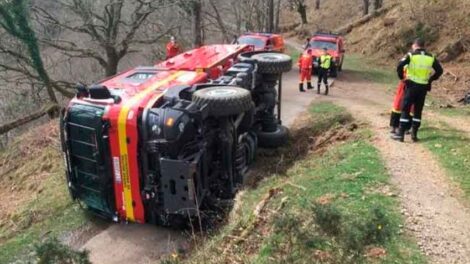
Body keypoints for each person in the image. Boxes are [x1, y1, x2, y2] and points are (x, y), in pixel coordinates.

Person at [392, 38, 443, 142]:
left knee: (405, 109)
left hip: (411, 86)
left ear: (414, 45)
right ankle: (414, 135)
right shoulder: (431, 57)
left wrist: (402, 77)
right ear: (424, 46)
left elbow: (399, 66)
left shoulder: (411, 55)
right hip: (423, 87)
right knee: (418, 111)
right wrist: (431, 79)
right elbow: (440, 70)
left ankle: (400, 134)